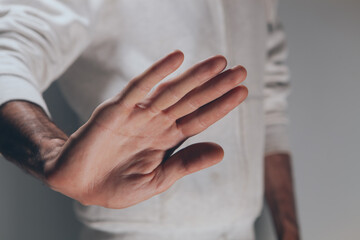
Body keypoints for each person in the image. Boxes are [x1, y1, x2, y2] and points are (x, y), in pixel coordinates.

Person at [0, 0, 300, 239]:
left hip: (244, 228)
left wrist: (288, 229)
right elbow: (6, 57)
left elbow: (269, 102)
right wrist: (51, 153)